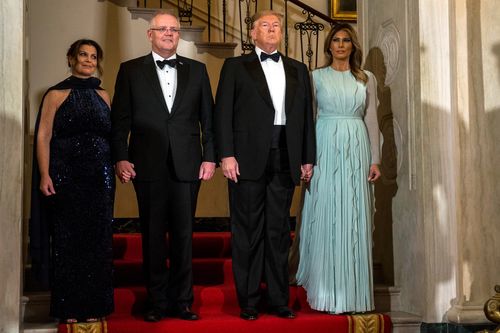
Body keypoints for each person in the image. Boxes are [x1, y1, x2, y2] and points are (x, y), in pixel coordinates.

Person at [111, 11, 216, 322]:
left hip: (188, 165)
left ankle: (182, 302)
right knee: (153, 236)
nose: (169, 34)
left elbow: (208, 120)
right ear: (150, 34)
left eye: (174, 29)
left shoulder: (197, 71)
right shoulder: (130, 71)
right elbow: (120, 120)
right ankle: (157, 302)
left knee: (184, 236)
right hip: (146, 164)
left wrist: (210, 156)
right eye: (162, 29)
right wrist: (120, 156)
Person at [214, 9, 316, 321]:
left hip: (286, 156)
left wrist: (308, 157)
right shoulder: (235, 66)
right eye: (265, 25)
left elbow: (306, 119)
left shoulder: (298, 69)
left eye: (276, 26)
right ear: (253, 33)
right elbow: (222, 115)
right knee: (247, 230)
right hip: (245, 159)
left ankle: (278, 298)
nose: (272, 30)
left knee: (278, 231)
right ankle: (248, 301)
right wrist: (226, 155)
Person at [296, 23, 382, 314]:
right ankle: (324, 292)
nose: (341, 45)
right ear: (329, 46)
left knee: (353, 213)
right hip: (324, 147)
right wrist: (305, 157)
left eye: (346, 40)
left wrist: (375, 159)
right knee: (326, 212)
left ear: (352, 46)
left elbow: (372, 120)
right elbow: (309, 119)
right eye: (336, 40)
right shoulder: (315, 77)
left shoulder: (366, 78)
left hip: (357, 148)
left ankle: (353, 294)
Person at [30, 39, 114, 324]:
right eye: (83, 54)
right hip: (66, 176)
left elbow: (111, 136)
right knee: (68, 242)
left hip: (100, 179)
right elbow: (43, 136)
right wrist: (45, 174)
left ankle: (95, 306)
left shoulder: (104, 95)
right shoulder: (56, 94)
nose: (89, 60)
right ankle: (69, 308)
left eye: (93, 56)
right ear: (71, 58)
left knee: (97, 242)